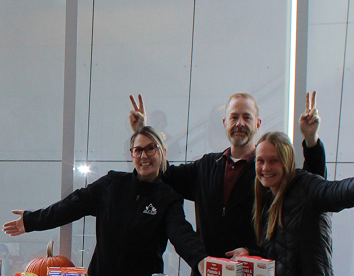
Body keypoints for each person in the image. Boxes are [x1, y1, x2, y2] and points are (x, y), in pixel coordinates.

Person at [3, 127, 207, 276]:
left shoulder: (168, 198)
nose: (144, 156)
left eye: (150, 148)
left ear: (161, 152)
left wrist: (202, 262)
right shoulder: (112, 184)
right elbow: (71, 205)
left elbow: (182, 234)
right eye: (138, 150)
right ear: (132, 155)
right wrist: (31, 220)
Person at [128, 91, 327, 259]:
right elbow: (165, 173)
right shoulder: (206, 166)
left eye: (247, 117)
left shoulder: (269, 171)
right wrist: (143, 133)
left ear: (258, 124)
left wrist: (311, 139)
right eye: (234, 117)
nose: (240, 123)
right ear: (224, 123)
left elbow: (312, 189)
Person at [231, 130, 354, 276]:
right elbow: (279, 253)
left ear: (287, 161)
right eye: (260, 161)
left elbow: (336, 191)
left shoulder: (306, 187)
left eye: (274, 160)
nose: (265, 168)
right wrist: (249, 253)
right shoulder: (268, 198)